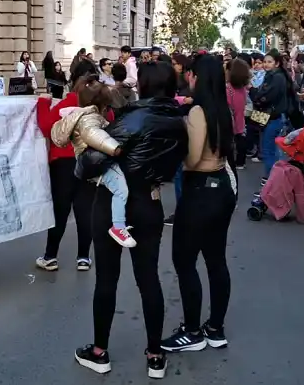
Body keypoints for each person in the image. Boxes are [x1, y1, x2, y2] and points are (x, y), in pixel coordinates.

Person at [75, 62, 188, 380]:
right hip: (150, 202)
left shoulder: (133, 118)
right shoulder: (179, 122)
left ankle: (99, 352)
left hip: (115, 203)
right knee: (149, 278)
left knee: (107, 279)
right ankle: (155, 354)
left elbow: (92, 162)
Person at [160, 54, 237, 353]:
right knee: (216, 260)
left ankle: (191, 331)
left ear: (197, 77)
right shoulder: (222, 109)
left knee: (184, 260)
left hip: (199, 190)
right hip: (220, 188)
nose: (187, 79)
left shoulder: (197, 112)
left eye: (190, 74)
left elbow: (191, 158)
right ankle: (215, 328)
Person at [51, 80, 134, 247]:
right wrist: (116, 148)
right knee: (121, 190)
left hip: (90, 160)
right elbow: (94, 135)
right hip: (97, 160)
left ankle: (119, 223)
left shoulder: (80, 114)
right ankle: (118, 226)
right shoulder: (89, 118)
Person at [35, 60, 99, 271]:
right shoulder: (100, 104)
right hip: (89, 161)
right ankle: (83, 257)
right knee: (84, 209)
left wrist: (43, 104)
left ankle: (50, 256)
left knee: (60, 211)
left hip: (63, 162)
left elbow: (46, 127)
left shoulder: (70, 101)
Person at [249, 50, 293, 187]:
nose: (266, 65)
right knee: (272, 150)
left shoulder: (276, 78)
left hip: (272, 118)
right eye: (265, 62)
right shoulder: (273, 76)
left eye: (270, 62)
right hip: (270, 117)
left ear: (277, 63)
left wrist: (255, 93)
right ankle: (276, 180)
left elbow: (266, 96)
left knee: (269, 151)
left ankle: (271, 182)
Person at [227, 58, 251, 168]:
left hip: (231, 121)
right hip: (241, 118)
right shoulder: (243, 88)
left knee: (233, 143)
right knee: (241, 139)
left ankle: (235, 162)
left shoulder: (228, 89)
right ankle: (241, 162)